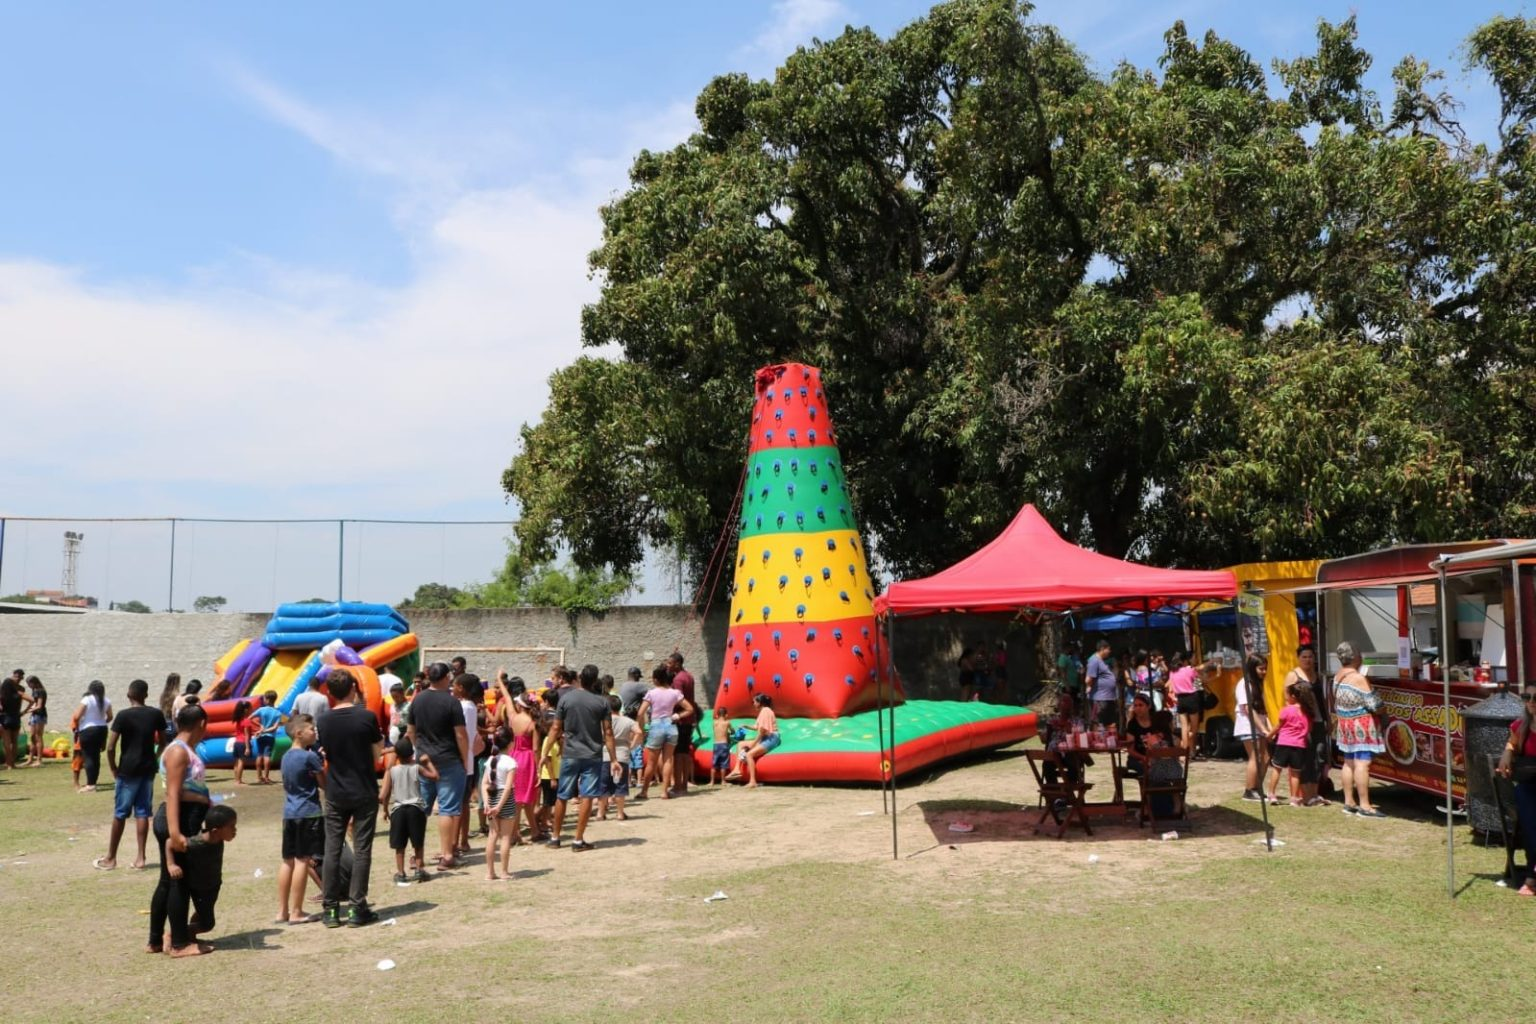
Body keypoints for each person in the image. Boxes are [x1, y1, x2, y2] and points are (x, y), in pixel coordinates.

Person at [316, 669, 383, 928]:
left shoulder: (323, 721)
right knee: (363, 848)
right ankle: (357, 908)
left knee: (332, 849)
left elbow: (326, 752)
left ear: (329, 693)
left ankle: (330, 909)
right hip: (363, 788)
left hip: (335, 790)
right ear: (354, 688)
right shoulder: (366, 717)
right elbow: (378, 755)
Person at [148, 704, 212, 956]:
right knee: (179, 882)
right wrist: (176, 833)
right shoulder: (177, 752)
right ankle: (179, 944)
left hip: (185, 817)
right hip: (178, 820)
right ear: (202, 724)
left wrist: (203, 799)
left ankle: (155, 940)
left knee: (167, 880)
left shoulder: (185, 749)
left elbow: (186, 789)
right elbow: (172, 793)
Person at [546, 664, 618, 851]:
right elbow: (608, 732)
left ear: (579, 677)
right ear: (595, 680)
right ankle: (578, 840)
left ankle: (555, 838)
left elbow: (555, 728)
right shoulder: (602, 702)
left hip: (570, 753)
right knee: (587, 796)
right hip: (592, 756)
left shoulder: (566, 699)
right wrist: (614, 759)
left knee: (562, 795)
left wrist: (544, 752)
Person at [96, 679, 165, 871]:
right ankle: (141, 858)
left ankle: (111, 858)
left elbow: (110, 747)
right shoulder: (155, 714)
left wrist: (113, 768)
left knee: (120, 813)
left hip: (127, 770)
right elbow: (164, 741)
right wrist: (155, 759)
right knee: (142, 813)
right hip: (147, 769)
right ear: (146, 695)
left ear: (129, 695)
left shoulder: (123, 716)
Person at [407, 661, 470, 870]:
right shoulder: (452, 702)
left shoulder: (417, 700)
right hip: (449, 759)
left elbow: (410, 731)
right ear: (446, 678)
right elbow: (461, 735)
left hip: (424, 761)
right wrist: (464, 758)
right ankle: (447, 855)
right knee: (447, 809)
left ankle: (417, 855)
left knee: (421, 808)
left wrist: (420, 750)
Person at [163, 804, 238, 957]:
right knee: (208, 923)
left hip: (214, 884)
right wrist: (171, 864)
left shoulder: (218, 838)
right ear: (216, 831)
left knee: (202, 915)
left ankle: (189, 935)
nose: (235, 830)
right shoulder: (197, 842)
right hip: (200, 887)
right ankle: (174, 934)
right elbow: (170, 843)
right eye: (231, 827)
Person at [276, 713, 326, 924]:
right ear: (298, 733)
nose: (314, 731)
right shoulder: (309, 756)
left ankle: (283, 911)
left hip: (289, 813)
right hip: (308, 813)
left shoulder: (286, 756)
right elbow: (324, 783)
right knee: (303, 861)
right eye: (311, 729)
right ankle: (297, 912)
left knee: (288, 861)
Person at [1332, 641, 1386, 817]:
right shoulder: (1358, 678)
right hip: (1361, 724)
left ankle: (1349, 801)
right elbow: (1375, 705)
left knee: (1348, 762)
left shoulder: (1338, 676)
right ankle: (1365, 805)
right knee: (1363, 763)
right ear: (1355, 657)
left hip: (1345, 723)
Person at [1495, 685, 1536, 895]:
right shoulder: (1521, 727)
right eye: (1526, 696)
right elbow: (1511, 743)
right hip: (1529, 786)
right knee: (1529, 813)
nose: (1531, 701)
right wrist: (1507, 752)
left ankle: (1531, 875)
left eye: (1535, 697)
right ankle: (1532, 873)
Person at [381, 735, 435, 884]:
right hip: (416, 809)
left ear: (396, 755)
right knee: (418, 842)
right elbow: (435, 776)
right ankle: (419, 869)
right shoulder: (417, 768)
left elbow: (385, 795)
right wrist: (428, 762)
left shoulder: (392, 771)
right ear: (412, 754)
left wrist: (385, 810)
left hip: (398, 809)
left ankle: (400, 872)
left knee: (399, 845)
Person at [638, 664, 691, 800]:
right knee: (668, 760)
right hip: (671, 725)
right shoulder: (675, 693)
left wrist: (642, 728)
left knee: (651, 762)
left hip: (656, 726)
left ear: (656, 679)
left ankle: (644, 791)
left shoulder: (651, 693)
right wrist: (678, 716)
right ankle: (664, 792)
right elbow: (689, 709)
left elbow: (640, 713)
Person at [1285, 645, 1330, 802]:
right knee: (1305, 757)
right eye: (1304, 657)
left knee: (1319, 754)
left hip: (1318, 721)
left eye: (1310, 656)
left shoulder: (1316, 676)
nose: (1307, 660)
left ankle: (1315, 793)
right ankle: (1305, 794)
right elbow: (1288, 700)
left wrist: (1328, 720)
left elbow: (1323, 700)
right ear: (1298, 658)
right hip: (1302, 723)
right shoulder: (1293, 675)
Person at [1267, 682, 1317, 806]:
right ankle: (1294, 798)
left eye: (1287, 695)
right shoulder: (1308, 713)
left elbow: (1279, 726)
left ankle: (1272, 794)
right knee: (1295, 773)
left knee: (1277, 769)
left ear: (1294, 696)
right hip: (1299, 745)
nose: (1286, 698)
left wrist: (1269, 736)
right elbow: (1309, 729)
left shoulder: (1286, 710)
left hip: (1283, 743)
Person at [480, 726, 517, 879]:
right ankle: (504, 872)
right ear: (510, 743)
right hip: (504, 799)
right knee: (506, 837)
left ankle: (490, 872)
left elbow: (484, 784)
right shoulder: (510, 762)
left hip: (492, 796)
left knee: (492, 836)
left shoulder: (490, 760)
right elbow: (508, 788)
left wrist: (488, 804)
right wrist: (499, 806)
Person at [1234, 655, 1270, 802]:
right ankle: (1249, 790)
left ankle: (1257, 787)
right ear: (1252, 668)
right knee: (1256, 757)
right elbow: (1248, 708)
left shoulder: (1257, 685)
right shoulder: (1245, 684)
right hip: (1248, 726)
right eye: (1261, 668)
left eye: (1265, 668)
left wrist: (1268, 726)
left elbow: (1261, 709)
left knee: (1266, 757)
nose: (1264, 671)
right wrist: (1263, 728)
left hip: (1259, 726)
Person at [727, 693, 780, 787]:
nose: (753, 704)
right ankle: (737, 769)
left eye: (754, 702)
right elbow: (757, 727)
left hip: (772, 738)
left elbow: (763, 731)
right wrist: (746, 726)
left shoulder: (766, 711)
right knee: (740, 744)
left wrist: (753, 744)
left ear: (759, 702)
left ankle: (753, 782)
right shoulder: (762, 712)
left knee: (749, 754)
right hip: (766, 737)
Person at [70, 680, 113, 792]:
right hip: (102, 729)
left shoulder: (87, 699)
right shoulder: (106, 700)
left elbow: (77, 716)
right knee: (96, 757)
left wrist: (82, 722)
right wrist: (101, 721)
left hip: (88, 730)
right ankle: (93, 783)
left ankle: (90, 785)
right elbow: (110, 717)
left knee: (88, 757)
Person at [600, 695, 637, 821]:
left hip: (605, 754)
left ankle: (600, 813)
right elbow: (639, 732)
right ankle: (620, 813)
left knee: (603, 784)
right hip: (622, 754)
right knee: (621, 785)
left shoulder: (602, 721)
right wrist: (632, 745)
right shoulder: (627, 721)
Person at [668, 652, 698, 794]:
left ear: (677, 664)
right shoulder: (689, 676)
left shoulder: (678, 680)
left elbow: (678, 699)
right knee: (685, 753)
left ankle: (678, 786)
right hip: (689, 720)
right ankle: (684, 785)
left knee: (678, 754)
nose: (668, 665)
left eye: (670, 663)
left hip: (680, 719)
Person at [1167, 654, 1200, 760]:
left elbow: (1170, 685)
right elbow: (1198, 685)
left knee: (1184, 727)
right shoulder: (1190, 670)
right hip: (1192, 698)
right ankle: (1184, 746)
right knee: (1194, 728)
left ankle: (1184, 752)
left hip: (1180, 699)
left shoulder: (1172, 672)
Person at [250, 691, 285, 785]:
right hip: (270, 736)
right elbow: (274, 727)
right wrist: (264, 730)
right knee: (267, 756)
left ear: (268, 699)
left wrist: (260, 726)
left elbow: (250, 718)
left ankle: (259, 777)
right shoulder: (277, 713)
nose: (264, 700)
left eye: (264, 698)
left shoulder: (261, 710)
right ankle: (266, 777)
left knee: (259, 755)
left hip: (260, 736)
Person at [1084, 638, 1117, 727]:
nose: (1109, 651)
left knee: (1108, 724)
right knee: (1100, 725)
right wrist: (1089, 686)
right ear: (1102, 649)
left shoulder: (1100, 661)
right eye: (1108, 649)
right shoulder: (1094, 661)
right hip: (1100, 700)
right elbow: (1088, 679)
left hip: (1106, 699)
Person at [0, 669, 25, 770]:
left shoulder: (5, 689)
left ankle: (9, 763)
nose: (17, 679)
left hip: (6, 716)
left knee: (8, 742)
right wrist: (22, 712)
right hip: (15, 716)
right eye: (16, 677)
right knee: (14, 741)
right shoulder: (20, 689)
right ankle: (11, 763)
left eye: (18, 677)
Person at [230, 701, 256, 786]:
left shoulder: (238, 719)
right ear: (246, 710)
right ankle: (238, 781)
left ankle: (236, 779)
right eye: (251, 708)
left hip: (237, 742)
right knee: (241, 762)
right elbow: (247, 735)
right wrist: (248, 747)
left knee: (236, 762)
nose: (252, 709)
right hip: (242, 743)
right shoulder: (246, 721)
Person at [23, 675, 47, 767]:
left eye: (29, 684)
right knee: (32, 737)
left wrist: (27, 711)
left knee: (38, 737)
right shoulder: (35, 691)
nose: (29, 686)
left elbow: (39, 706)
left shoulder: (40, 691)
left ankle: (39, 760)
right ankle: (30, 759)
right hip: (35, 715)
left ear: (34, 682)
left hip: (40, 716)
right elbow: (35, 704)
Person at [710, 704, 733, 786]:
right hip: (724, 744)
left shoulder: (714, 723)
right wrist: (730, 733)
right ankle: (723, 781)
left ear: (717, 715)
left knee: (714, 763)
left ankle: (712, 781)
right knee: (724, 763)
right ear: (726, 715)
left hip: (716, 744)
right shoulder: (727, 723)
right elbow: (732, 731)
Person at [385, 679, 409, 746]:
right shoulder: (393, 705)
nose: (395, 699)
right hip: (393, 733)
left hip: (404, 735)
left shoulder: (409, 706)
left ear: (402, 694)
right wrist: (390, 727)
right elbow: (392, 717)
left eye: (396, 697)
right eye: (393, 697)